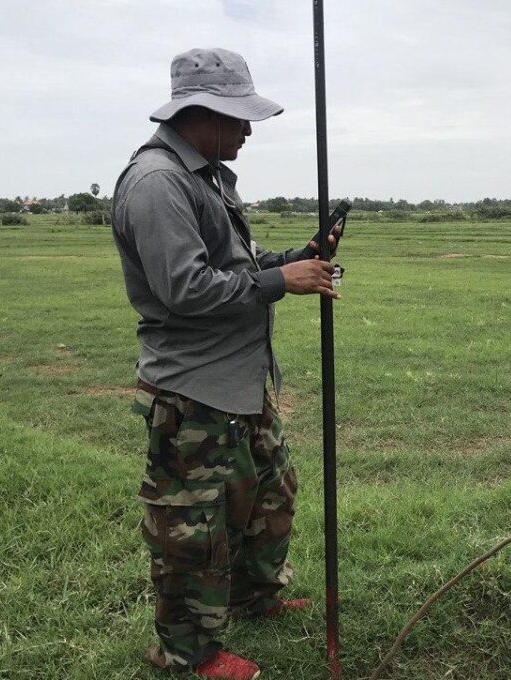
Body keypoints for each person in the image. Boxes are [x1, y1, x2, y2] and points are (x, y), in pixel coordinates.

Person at [112, 48, 341, 680]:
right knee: (193, 526)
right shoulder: (159, 183)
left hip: (240, 382)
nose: (247, 130)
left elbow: (235, 264)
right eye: (238, 119)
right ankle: (186, 651)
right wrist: (279, 283)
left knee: (269, 492)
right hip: (193, 390)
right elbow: (184, 289)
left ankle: (253, 596)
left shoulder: (209, 176)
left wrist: (296, 257)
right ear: (202, 113)